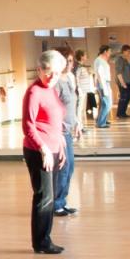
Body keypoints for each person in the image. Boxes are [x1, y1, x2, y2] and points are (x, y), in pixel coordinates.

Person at [22, 50, 68, 254]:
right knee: (44, 197)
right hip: (38, 151)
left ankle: (45, 238)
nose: (52, 77)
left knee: (50, 197)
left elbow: (55, 120)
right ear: (39, 69)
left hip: (54, 147)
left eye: (56, 73)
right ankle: (41, 242)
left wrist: (61, 145)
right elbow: (28, 126)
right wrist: (44, 149)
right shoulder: (34, 92)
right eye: (48, 72)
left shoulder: (52, 89)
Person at [52, 47, 80, 217]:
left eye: (71, 61)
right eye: (68, 61)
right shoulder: (56, 83)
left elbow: (72, 105)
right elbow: (53, 107)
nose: (71, 64)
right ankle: (56, 203)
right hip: (60, 132)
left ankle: (62, 200)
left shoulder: (69, 79)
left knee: (69, 168)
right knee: (64, 167)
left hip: (69, 129)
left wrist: (77, 123)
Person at [93, 45, 113, 129]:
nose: (110, 53)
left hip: (106, 83)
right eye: (109, 51)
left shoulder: (102, 60)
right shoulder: (99, 60)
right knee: (107, 103)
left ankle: (102, 120)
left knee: (107, 103)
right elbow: (100, 74)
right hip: (103, 83)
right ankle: (100, 123)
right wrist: (103, 87)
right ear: (105, 51)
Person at [75, 49, 96, 122]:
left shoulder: (84, 66)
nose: (87, 56)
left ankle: (81, 124)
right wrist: (78, 89)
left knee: (82, 108)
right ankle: (78, 124)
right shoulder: (78, 67)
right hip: (81, 90)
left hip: (85, 90)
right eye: (85, 55)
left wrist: (90, 72)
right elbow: (76, 78)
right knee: (79, 108)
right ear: (81, 57)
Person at [113, 45, 130, 120]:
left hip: (128, 82)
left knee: (128, 96)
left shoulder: (125, 60)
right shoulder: (119, 60)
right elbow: (118, 72)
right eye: (128, 51)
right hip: (123, 82)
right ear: (123, 51)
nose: (129, 53)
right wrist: (123, 83)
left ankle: (123, 113)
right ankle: (119, 114)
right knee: (124, 97)